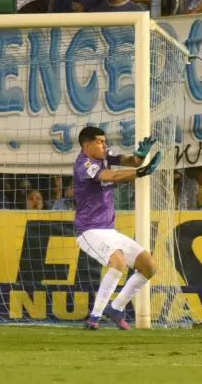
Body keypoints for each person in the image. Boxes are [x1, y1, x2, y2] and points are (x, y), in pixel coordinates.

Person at [75, 126, 162, 330]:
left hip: (109, 230)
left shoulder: (105, 155)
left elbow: (130, 161)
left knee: (149, 266)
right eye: (99, 142)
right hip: (89, 231)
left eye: (105, 141)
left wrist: (139, 158)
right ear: (87, 146)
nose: (105, 145)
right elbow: (112, 177)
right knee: (119, 263)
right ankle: (94, 317)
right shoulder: (84, 164)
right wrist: (141, 172)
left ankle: (116, 308)